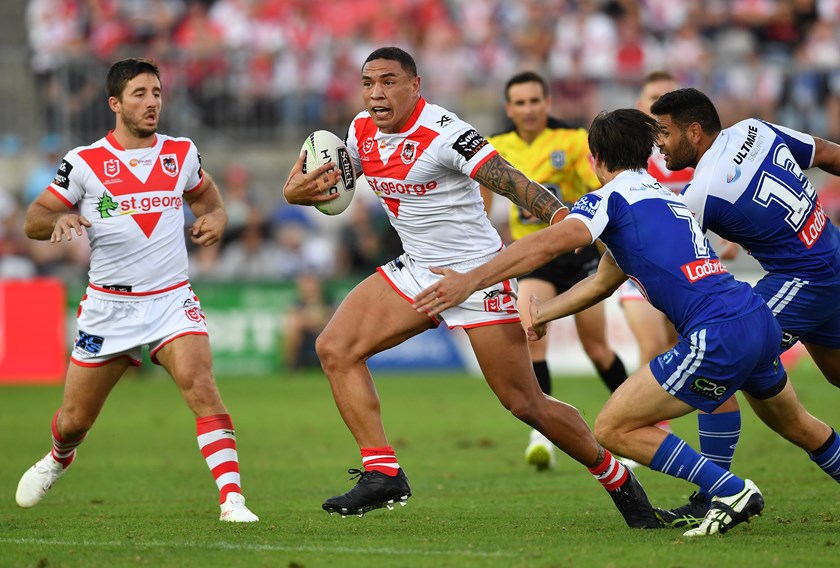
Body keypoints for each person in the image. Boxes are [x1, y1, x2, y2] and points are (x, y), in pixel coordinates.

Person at [413, 107, 840, 537]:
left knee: (612, 427)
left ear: (595, 158)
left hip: (719, 331)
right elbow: (602, 283)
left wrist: (471, 280)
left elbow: (548, 244)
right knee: (799, 425)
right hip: (754, 318)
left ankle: (727, 490)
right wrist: (544, 313)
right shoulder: (660, 195)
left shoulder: (609, 200)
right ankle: (725, 491)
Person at [282, 46, 660, 528]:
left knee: (525, 403)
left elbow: (511, 181)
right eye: (368, 83)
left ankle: (621, 484)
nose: (377, 93)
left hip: (479, 276)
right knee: (334, 348)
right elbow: (325, 184)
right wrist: (295, 193)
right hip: (417, 269)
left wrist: (563, 219)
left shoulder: (445, 133)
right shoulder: (359, 132)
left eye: (389, 81)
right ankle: (382, 472)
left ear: (415, 85)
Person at [16, 58, 258, 523]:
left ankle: (232, 499)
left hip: (171, 298)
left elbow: (207, 198)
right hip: (109, 306)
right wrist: (59, 218)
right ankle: (58, 458)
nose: (152, 103)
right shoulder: (84, 162)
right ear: (115, 103)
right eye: (140, 94)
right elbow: (34, 219)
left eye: (157, 93)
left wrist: (218, 216)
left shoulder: (182, 152)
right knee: (74, 420)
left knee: (203, 389)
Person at [649, 87, 840, 527]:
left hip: (805, 281)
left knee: (724, 349)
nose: (659, 143)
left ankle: (714, 495)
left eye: (664, 131)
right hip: (828, 257)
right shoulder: (757, 128)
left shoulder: (703, 190)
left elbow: (664, 248)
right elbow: (828, 153)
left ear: (693, 132)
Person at [480, 71, 628, 471]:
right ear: (509, 108)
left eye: (534, 101)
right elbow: (480, 203)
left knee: (597, 349)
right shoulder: (497, 147)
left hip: (578, 253)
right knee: (533, 339)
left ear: (547, 103)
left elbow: (597, 191)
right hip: (535, 256)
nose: (528, 109)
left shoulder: (572, 140)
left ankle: (637, 425)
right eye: (520, 103)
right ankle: (540, 434)